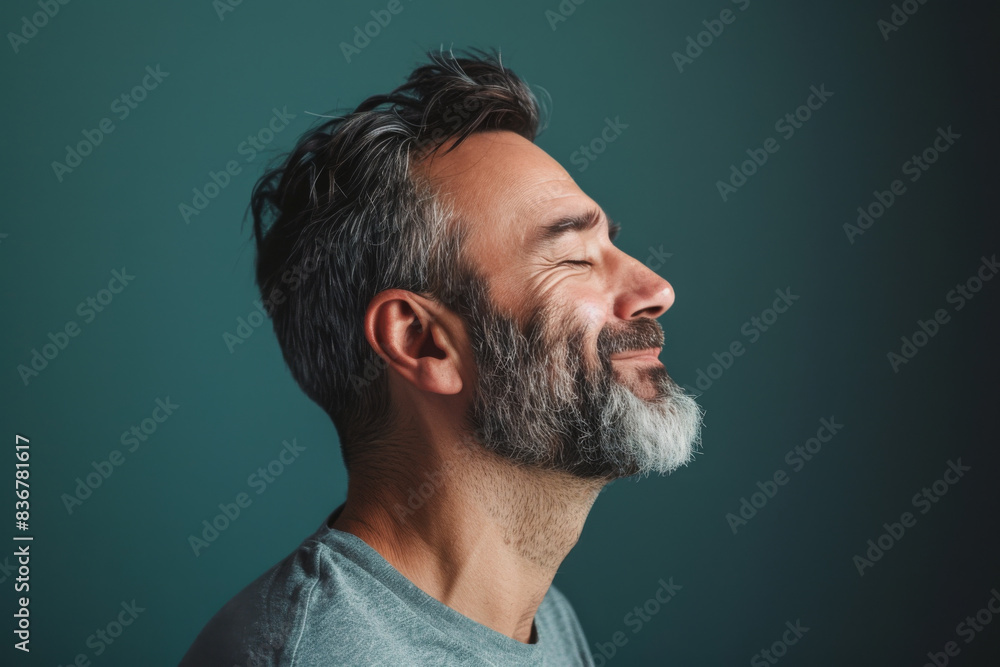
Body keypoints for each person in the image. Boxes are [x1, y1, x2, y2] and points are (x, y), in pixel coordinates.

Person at [180, 48, 703, 666]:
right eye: (573, 258)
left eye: (610, 245)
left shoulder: (541, 621)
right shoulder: (321, 656)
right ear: (422, 342)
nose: (657, 291)